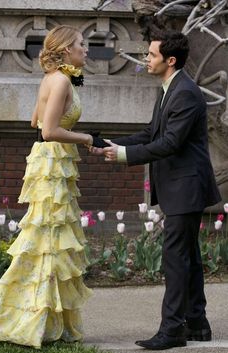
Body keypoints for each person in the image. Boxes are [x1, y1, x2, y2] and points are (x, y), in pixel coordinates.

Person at [91, 30, 221, 350]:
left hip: (186, 189)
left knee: (175, 259)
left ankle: (173, 329)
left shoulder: (185, 93)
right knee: (186, 257)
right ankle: (197, 323)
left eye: (151, 55)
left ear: (170, 60)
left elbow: (170, 143)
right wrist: (114, 143)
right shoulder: (169, 89)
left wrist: (123, 156)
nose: (146, 59)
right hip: (181, 189)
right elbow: (152, 132)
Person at [0, 25, 93, 348]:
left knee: (50, 240)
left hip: (51, 163)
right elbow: (48, 130)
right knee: (50, 240)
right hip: (51, 164)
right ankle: (33, 319)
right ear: (66, 50)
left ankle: (46, 319)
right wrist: (85, 137)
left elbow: (34, 120)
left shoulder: (54, 78)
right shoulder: (61, 80)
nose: (86, 49)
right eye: (81, 44)